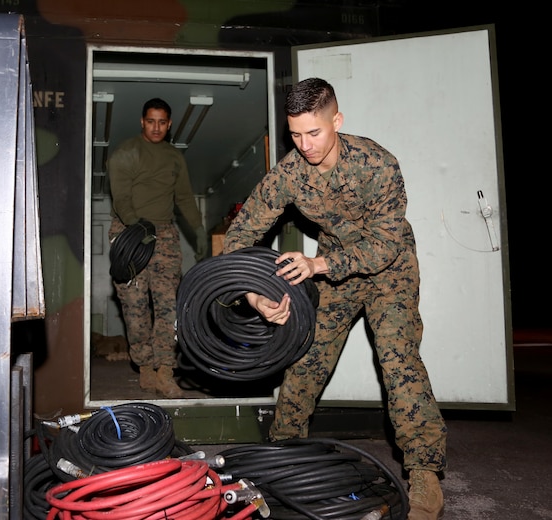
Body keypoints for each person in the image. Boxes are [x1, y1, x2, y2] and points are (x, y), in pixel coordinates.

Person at [222, 78, 446, 520]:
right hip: (334, 273)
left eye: (315, 133)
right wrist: (252, 294)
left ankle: (424, 474)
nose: (305, 145)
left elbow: (384, 246)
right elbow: (239, 237)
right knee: (305, 358)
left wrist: (316, 265)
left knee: (398, 359)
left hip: (389, 272)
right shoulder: (290, 172)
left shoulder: (377, 164)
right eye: (296, 135)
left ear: (336, 121)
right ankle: (281, 458)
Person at [107, 97, 207, 398]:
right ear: (142, 121)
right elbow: (121, 200)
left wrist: (199, 230)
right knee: (135, 308)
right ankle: (145, 367)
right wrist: (139, 228)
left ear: (170, 124)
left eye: (162, 122)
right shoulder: (125, 154)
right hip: (128, 233)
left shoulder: (175, 159)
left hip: (164, 236)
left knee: (168, 305)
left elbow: (185, 198)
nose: (156, 127)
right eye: (151, 121)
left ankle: (165, 371)